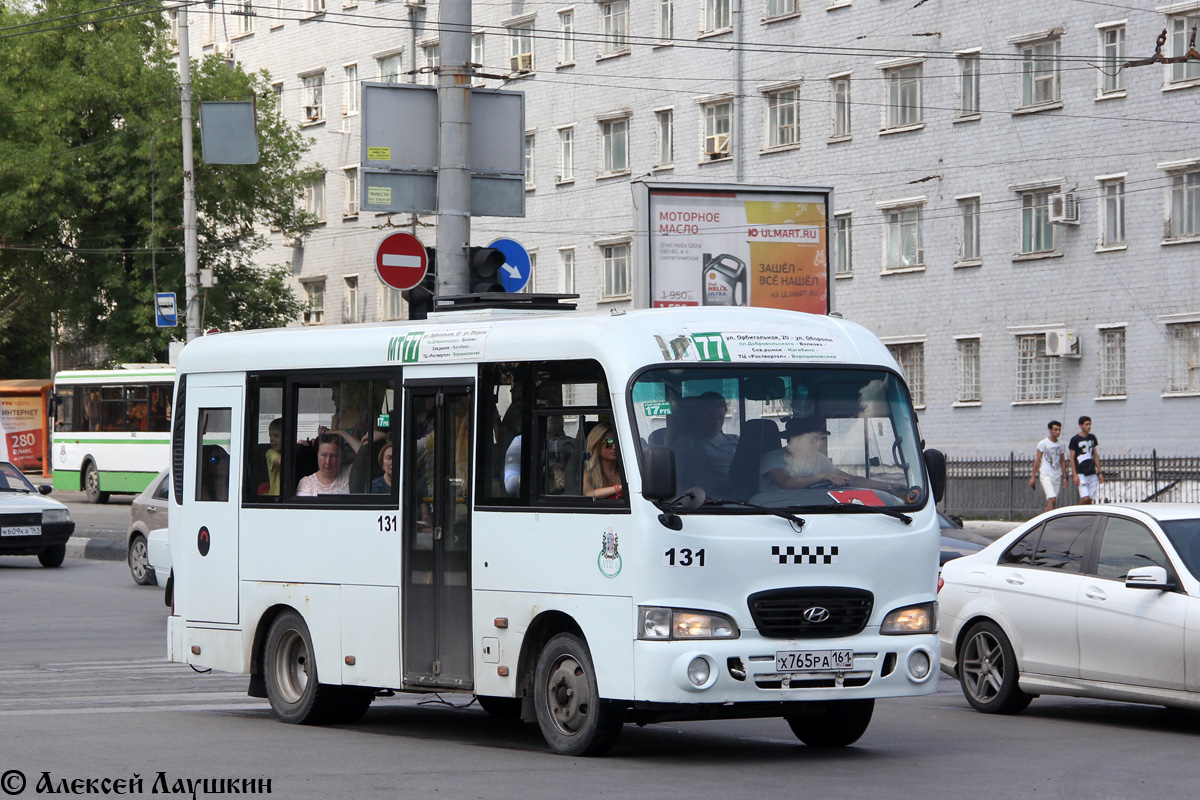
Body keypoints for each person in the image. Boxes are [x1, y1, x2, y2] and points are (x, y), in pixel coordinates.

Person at [761, 417, 902, 496]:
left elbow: (851, 480)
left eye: (820, 440)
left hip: (812, 513)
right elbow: (788, 483)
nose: (818, 444)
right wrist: (823, 476)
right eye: (813, 439)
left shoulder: (817, 459)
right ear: (794, 438)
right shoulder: (773, 458)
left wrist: (888, 487)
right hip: (776, 516)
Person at [672, 391, 739, 495]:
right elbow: (674, 480)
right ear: (699, 416)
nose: (716, 424)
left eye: (720, 418)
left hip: (743, 498)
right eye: (710, 418)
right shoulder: (686, 443)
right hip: (709, 501)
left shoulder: (735, 440)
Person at [1029, 420, 1067, 513]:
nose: (1058, 432)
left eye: (1059, 430)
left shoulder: (1061, 444)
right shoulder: (1043, 443)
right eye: (1055, 430)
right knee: (1052, 498)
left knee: (1051, 501)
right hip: (1046, 474)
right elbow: (1037, 460)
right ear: (1050, 430)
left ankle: (1044, 520)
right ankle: (1049, 522)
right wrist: (1033, 477)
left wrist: (1065, 477)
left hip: (1057, 474)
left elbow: (1062, 461)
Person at [583, 423, 624, 500]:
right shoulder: (587, 474)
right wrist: (619, 488)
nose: (614, 447)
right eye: (608, 442)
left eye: (617, 442)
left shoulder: (626, 474)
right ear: (596, 445)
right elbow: (587, 494)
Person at [1069, 415, 1103, 505]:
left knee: (1090, 499)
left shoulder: (1092, 438)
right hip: (1081, 472)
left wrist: (1099, 472)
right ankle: (1076, 513)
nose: (1089, 426)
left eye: (1090, 424)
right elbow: (1072, 458)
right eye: (1086, 424)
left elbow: (1095, 455)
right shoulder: (1075, 439)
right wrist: (1075, 474)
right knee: (1085, 497)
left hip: (1091, 471)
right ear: (1081, 425)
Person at [265, 418, 283, 496]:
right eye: (270, 436)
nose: (272, 439)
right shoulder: (271, 453)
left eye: (276, 436)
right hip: (275, 497)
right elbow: (279, 462)